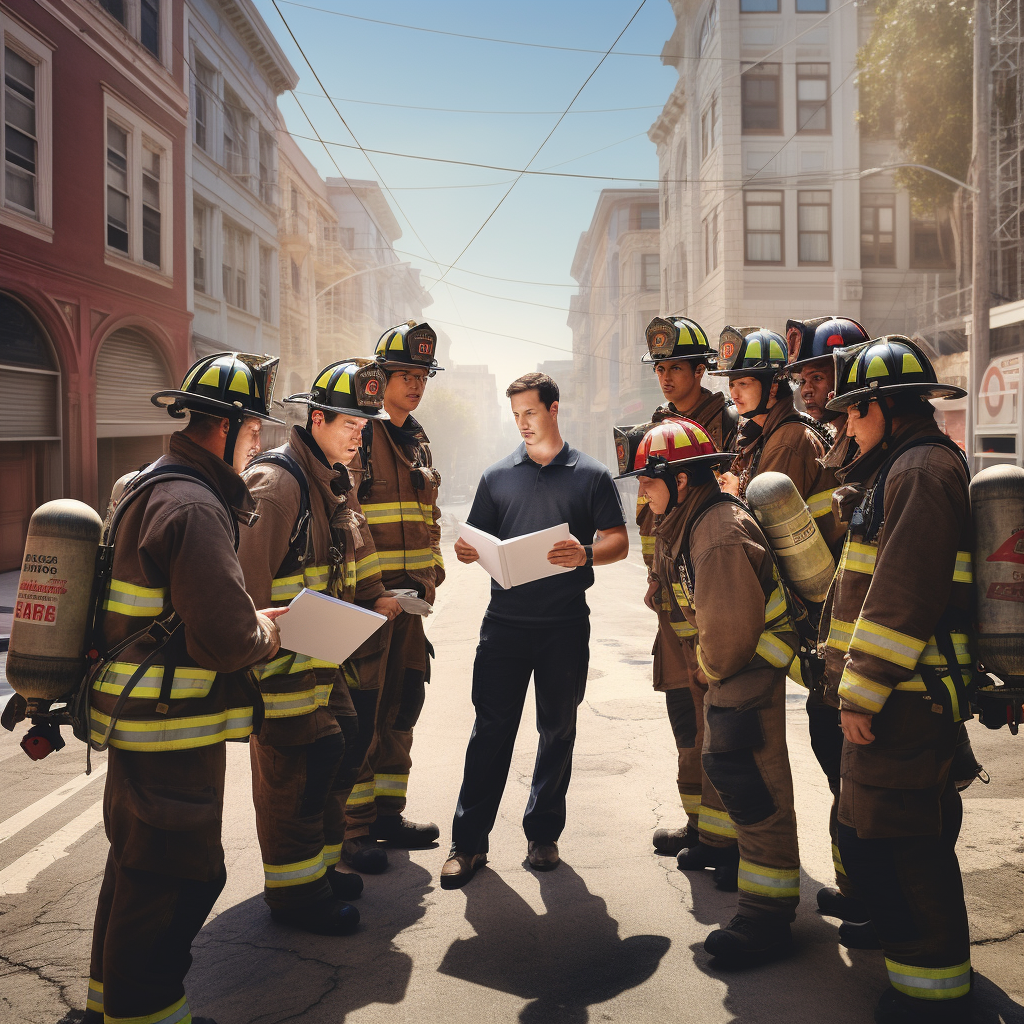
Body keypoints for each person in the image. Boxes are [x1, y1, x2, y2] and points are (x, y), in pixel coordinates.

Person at [83, 352, 286, 1024]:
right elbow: (227, 641)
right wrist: (269, 630)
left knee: (135, 869)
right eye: (253, 428)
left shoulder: (144, 484)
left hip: (136, 723)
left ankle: (107, 1006)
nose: (259, 440)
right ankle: (147, 1015)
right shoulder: (195, 506)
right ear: (223, 428)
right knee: (175, 877)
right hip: (172, 730)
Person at [821, 337, 975, 1024]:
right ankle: (911, 959)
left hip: (903, 701)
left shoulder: (916, 472)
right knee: (881, 834)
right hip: (896, 697)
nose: (846, 427)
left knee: (906, 846)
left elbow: (901, 595)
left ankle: (933, 994)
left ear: (882, 404)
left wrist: (862, 688)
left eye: (854, 412)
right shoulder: (898, 465)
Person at [619, 418, 801, 964]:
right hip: (733, 667)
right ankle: (759, 898)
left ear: (679, 480)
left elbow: (725, 636)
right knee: (741, 781)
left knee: (756, 789)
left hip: (744, 666)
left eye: (648, 480)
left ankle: (767, 919)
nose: (641, 491)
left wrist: (706, 664)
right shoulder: (692, 518)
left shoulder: (716, 532)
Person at [441, 372, 628, 888]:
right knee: (489, 733)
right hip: (503, 627)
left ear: (554, 409)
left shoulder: (589, 475)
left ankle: (543, 836)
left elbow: (618, 540)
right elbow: (477, 539)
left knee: (557, 731)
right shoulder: (496, 477)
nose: (522, 423)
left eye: (530, 412)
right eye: (516, 415)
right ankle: (468, 845)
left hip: (564, 627)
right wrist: (468, 550)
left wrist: (585, 553)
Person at [237, 359, 401, 934]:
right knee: (297, 773)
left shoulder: (332, 477)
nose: (360, 433)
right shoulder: (279, 484)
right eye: (350, 421)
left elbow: (344, 562)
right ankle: (294, 896)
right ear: (317, 417)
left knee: (339, 747)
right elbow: (245, 589)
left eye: (366, 424)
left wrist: (374, 599)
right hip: (281, 664)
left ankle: (320, 871)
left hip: (320, 658)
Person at [629, 316, 740, 859]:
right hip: (669, 598)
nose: (666, 377)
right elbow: (653, 521)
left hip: (708, 596)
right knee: (683, 718)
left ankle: (727, 838)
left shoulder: (730, 429)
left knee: (718, 722)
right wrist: (654, 578)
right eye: (660, 368)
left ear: (701, 370)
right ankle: (699, 827)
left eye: (676, 367)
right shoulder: (659, 426)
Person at [343, 321, 446, 867]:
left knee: (403, 706)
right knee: (362, 712)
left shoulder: (419, 438)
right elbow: (350, 518)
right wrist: (372, 591)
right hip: (368, 606)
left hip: (411, 607)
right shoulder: (362, 433)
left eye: (422, 374)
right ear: (379, 379)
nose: (415, 384)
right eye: (405, 374)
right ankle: (354, 828)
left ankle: (387, 812)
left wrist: (431, 577)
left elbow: (429, 520)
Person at [784, 315, 874, 937]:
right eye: (804, 376)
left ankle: (876, 898)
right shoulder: (836, 442)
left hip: (865, 644)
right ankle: (857, 888)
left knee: (868, 786)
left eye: (819, 374)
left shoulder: (867, 448)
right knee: (837, 773)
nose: (807, 386)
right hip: (829, 637)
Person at [711, 327, 843, 550]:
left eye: (743, 383)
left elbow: (763, 525)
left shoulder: (788, 441)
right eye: (731, 384)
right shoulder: (763, 433)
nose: (734, 393)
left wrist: (732, 495)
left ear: (772, 387)